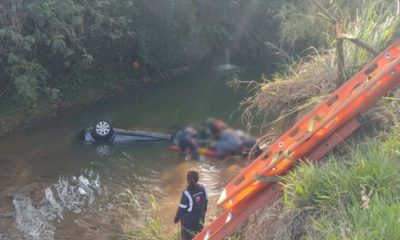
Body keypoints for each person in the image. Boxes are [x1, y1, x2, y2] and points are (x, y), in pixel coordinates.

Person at [174, 170, 208, 240]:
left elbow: (181, 209)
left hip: (189, 221)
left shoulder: (186, 192)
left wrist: (176, 219)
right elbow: (206, 201)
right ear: (198, 178)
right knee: (199, 234)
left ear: (187, 180)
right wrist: (204, 212)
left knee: (187, 237)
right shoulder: (204, 187)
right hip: (201, 217)